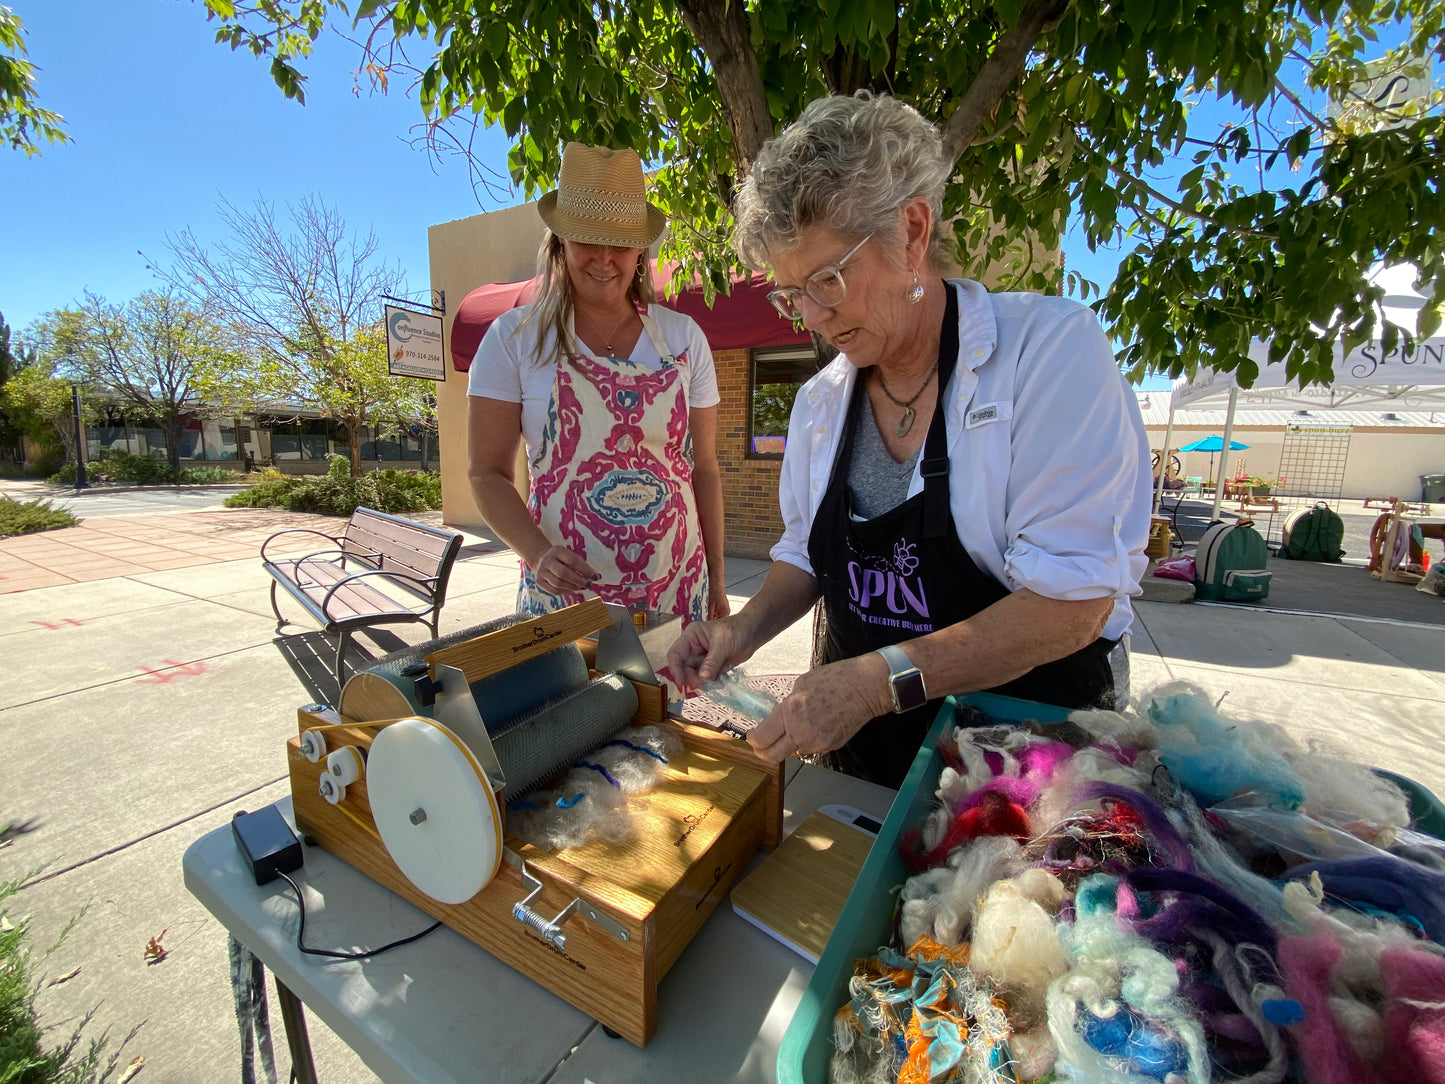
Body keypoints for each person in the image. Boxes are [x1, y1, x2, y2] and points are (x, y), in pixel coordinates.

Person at [667, 93, 1152, 788]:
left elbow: (1070, 607)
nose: (810, 316)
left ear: (913, 231)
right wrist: (740, 633)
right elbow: (805, 556)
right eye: (791, 293)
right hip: (867, 760)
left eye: (828, 278)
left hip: (1025, 770)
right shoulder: (817, 404)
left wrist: (871, 682)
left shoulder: (1046, 353)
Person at [468, 142, 729, 624]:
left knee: (669, 701)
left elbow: (705, 470)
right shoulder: (513, 339)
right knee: (580, 701)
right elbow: (486, 473)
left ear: (641, 251)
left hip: (675, 588)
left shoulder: (682, 337)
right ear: (560, 241)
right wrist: (537, 553)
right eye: (588, 239)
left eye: (621, 243)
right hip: (567, 599)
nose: (605, 259)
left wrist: (715, 575)